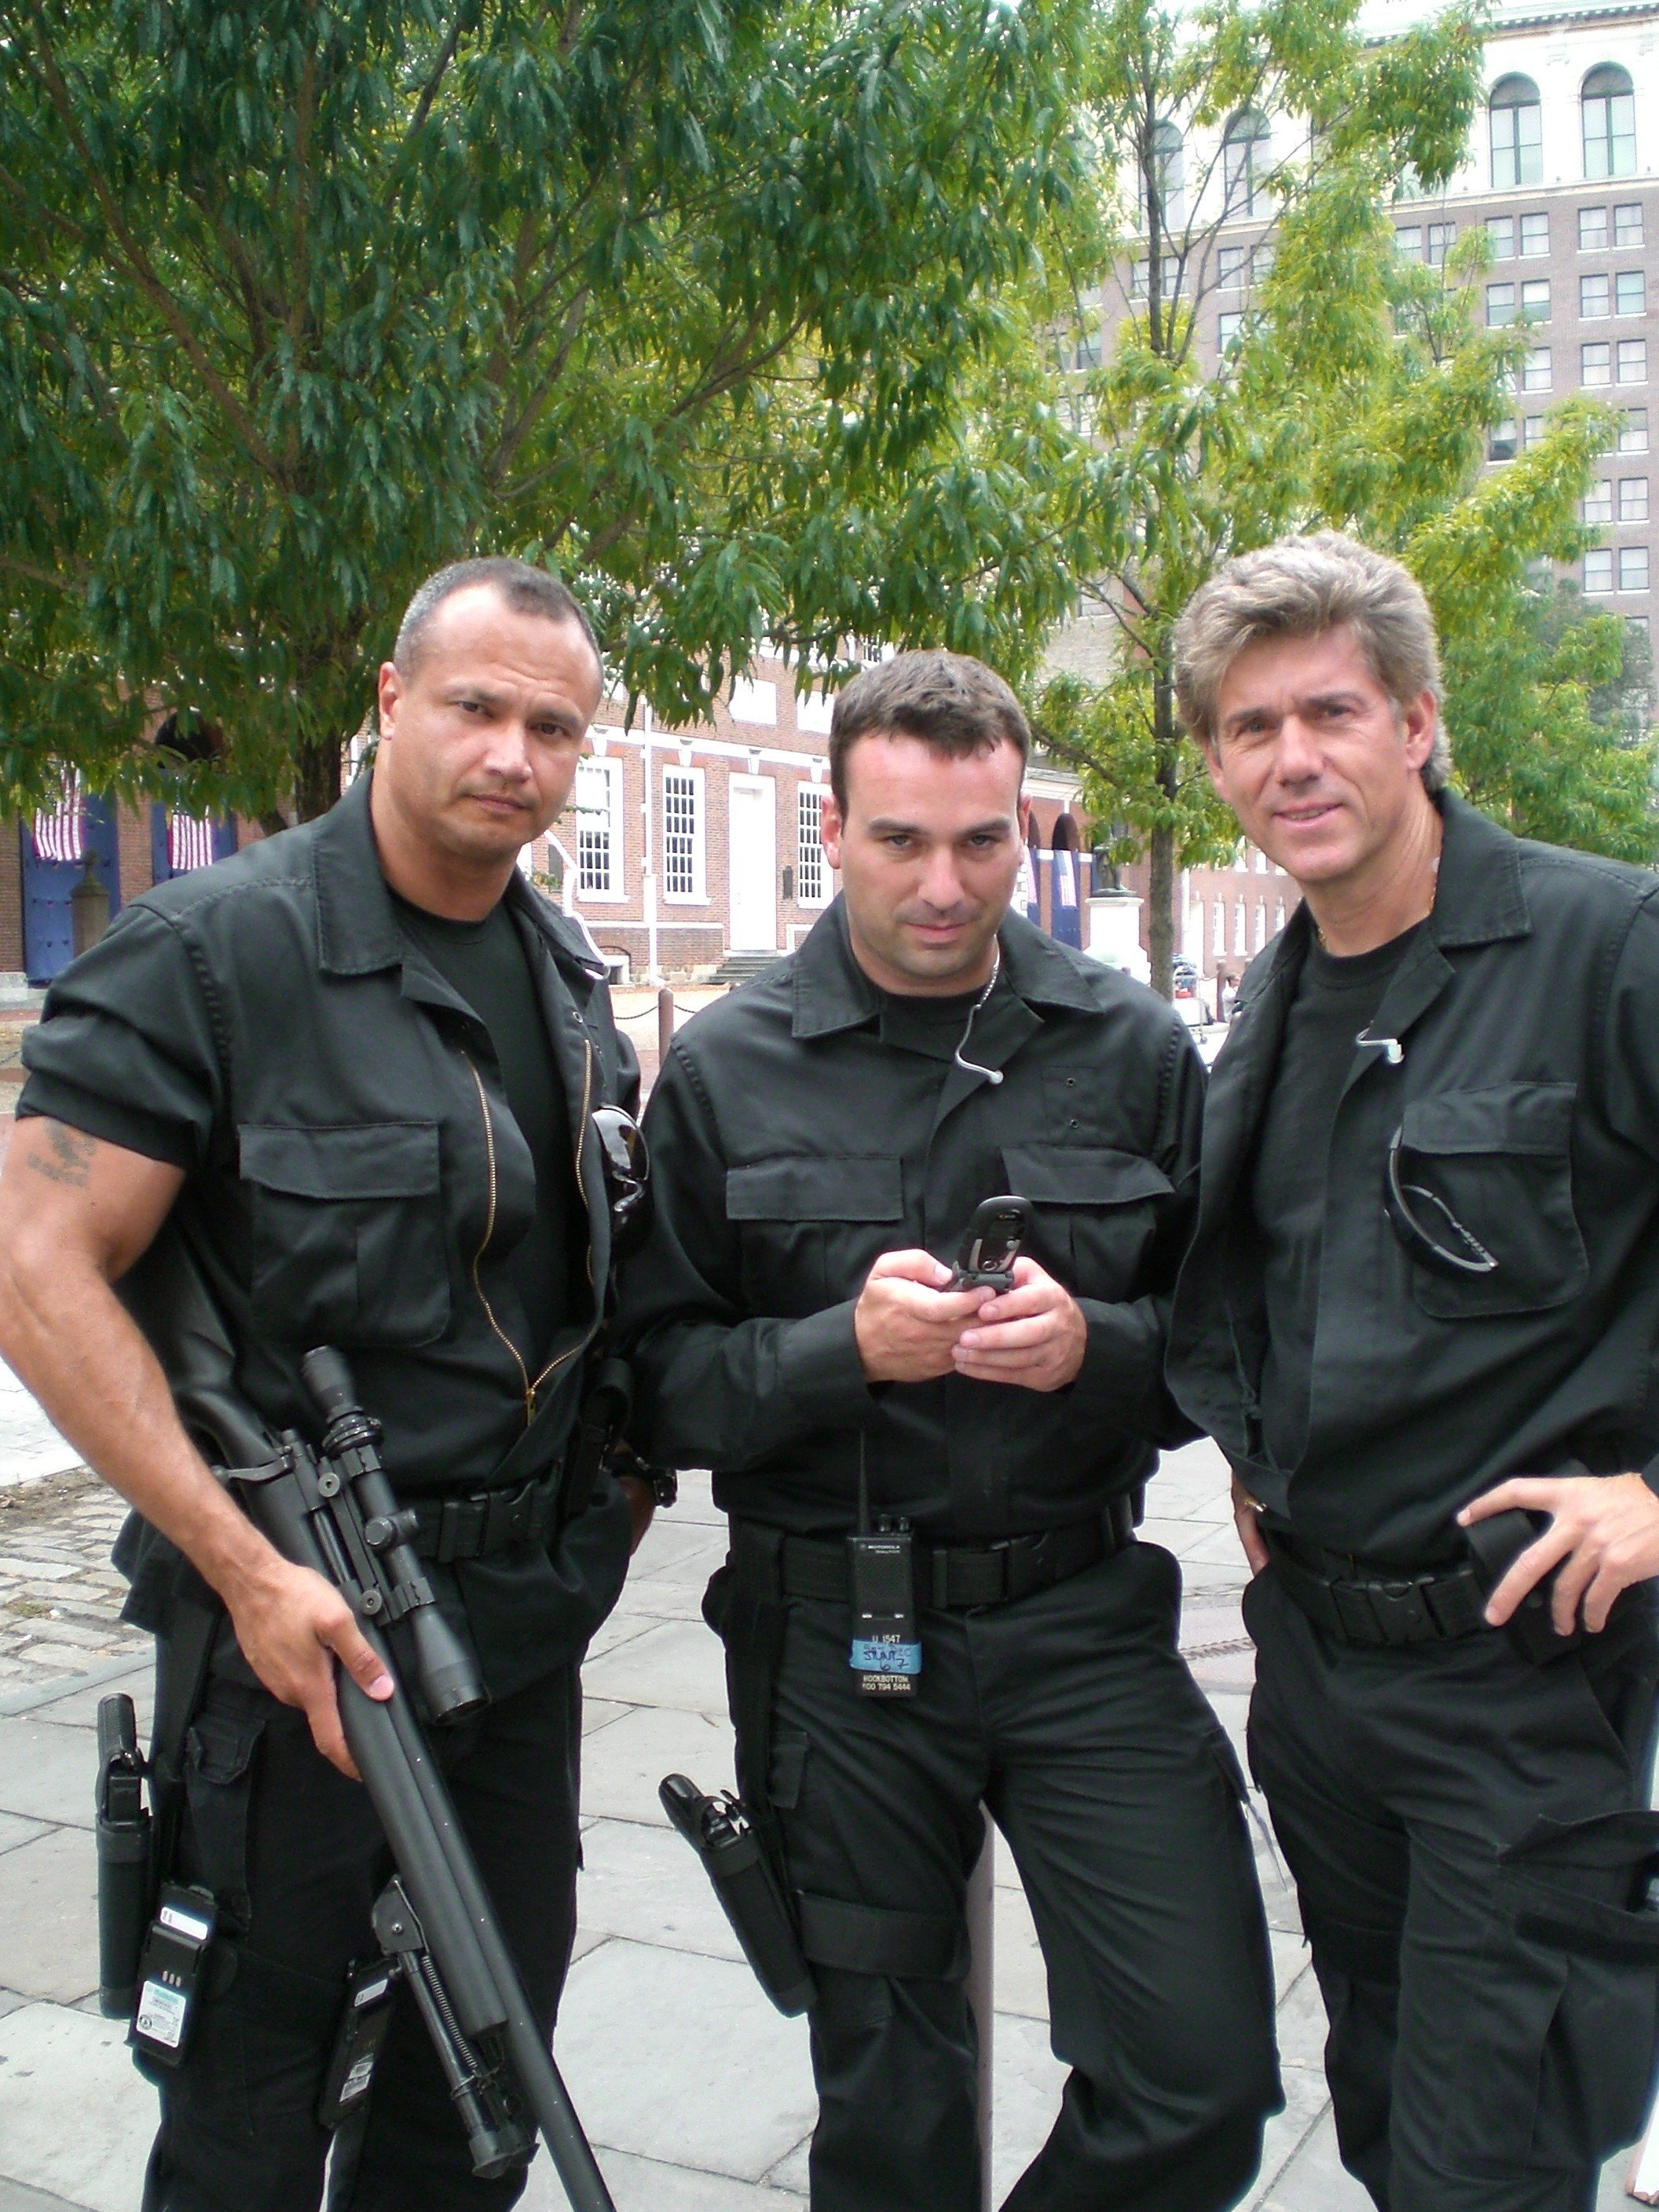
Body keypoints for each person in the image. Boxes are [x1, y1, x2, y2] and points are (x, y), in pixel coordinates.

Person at [0, 557, 655, 2212]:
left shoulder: (575, 982)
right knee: (248, 2081)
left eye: (554, 725)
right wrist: (247, 1567)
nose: (514, 751)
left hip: (507, 1624)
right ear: (387, 699)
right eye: (477, 706)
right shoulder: (212, 952)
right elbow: (34, 1263)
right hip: (290, 1633)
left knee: (485, 2076)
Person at [619, 650, 1280, 2212]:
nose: (943, 880)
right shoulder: (728, 1064)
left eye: (982, 839)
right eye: (902, 838)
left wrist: (1095, 1351)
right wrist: (837, 1349)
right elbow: (652, 1384)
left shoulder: (1128, 1048)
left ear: (1025, 827)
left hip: (1080, 1623)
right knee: (894, 2115)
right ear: (832, 824)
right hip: (839, 1650)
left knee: (1201, 2073)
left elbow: (1229, 1348)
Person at [1163, 530, 1659, 2212]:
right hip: (1315, 1680)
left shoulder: (1609, 948)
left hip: (1520, 1686)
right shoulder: (1273, 999)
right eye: (1248, 727)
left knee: (1488, 2166)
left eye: (1332, 710)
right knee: (1384, 2123)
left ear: (1419, 723)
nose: (1292, 757)